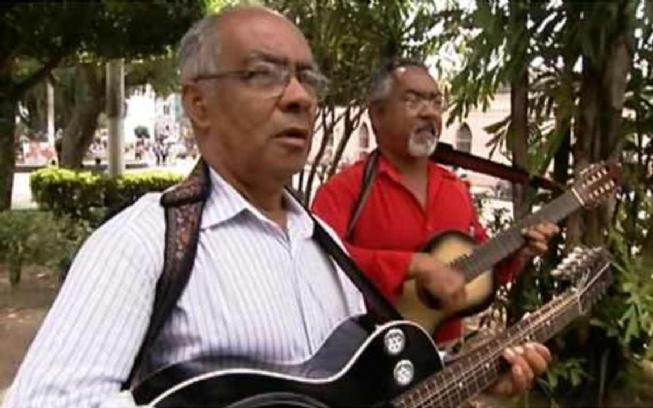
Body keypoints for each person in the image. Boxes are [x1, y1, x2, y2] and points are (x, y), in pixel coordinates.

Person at [3, 8, 551, 408]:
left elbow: (360, 390)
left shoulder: (325, 248)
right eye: (263, 73)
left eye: (307, 78)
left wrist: (467, 381)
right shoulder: (142, 244)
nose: (300, 97)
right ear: (198, 104)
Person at [311, 59, 560, 345]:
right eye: (412, 100)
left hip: (445, 361)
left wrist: (520, 252)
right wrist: (414, 265)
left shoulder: (456, 189)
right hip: (363, 358)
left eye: (436, 101)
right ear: (378, 115)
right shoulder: (343, 190)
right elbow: (318, 264)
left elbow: (479, 270)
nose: (429, 112)